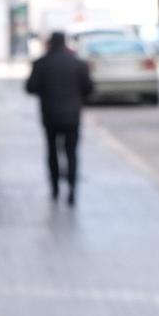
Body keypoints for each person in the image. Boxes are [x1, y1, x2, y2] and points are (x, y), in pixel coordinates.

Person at [24, 31, 94, 205]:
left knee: (52, 152)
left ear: (49, 44)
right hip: (72, 116)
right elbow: (89, 88)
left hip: (50, 115)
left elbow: (30, 87)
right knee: (71, 153)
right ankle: (72, 190)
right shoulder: (78, 64)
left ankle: (55, 188)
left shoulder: (41, 63)